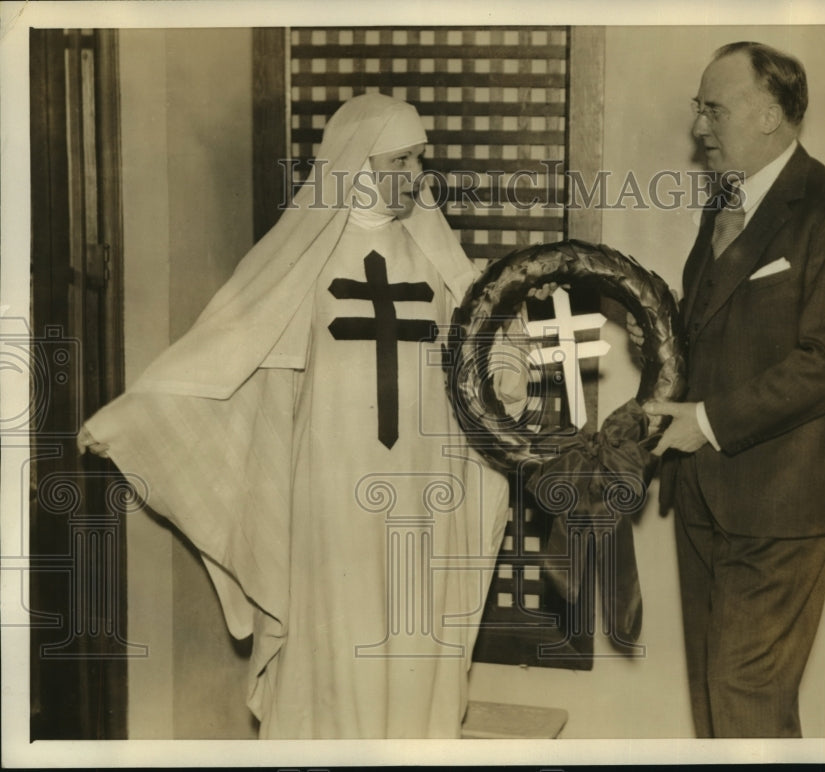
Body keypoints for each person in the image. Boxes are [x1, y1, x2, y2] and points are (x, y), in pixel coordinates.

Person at [78, 94, 510, 738]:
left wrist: (514, 362)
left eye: (421, 158)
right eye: (402, 159)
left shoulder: (439, 259)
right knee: (338, 645)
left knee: (419, 646)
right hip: (330, 497)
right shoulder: (301, 260)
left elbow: (487, 355)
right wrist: (127, 419)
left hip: (426, 495)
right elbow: (219, 356)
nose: (419, 174)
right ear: (357, 165)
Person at [643, 42, 825, 737]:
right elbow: (720, 330)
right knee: (717, 711)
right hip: (702, 497)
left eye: (713, 110)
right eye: (698, 111)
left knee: (745, 704)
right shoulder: (723, 205)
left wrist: (708, 421)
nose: (699, 129)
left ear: (771, 114)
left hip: (782, 506)